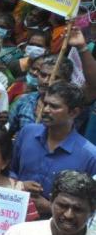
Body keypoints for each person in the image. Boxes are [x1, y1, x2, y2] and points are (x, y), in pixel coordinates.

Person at [11, 81, 96, 217]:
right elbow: (9, 170)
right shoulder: (27, 133)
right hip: (13, 217)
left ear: (74, 112)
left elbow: (91, 207)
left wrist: (52, 208)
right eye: (45, 104)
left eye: (54, 106)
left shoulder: (90, 156)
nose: (45, 110)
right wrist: (19, 185)